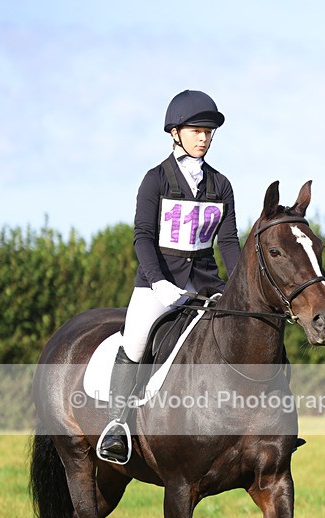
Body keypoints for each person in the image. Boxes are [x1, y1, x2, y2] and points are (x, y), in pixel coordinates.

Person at [97, 89, 241, 463]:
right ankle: (117, 426)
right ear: (175, 132)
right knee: (135, 340)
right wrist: (158, 281)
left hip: (207, 282)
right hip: (158, 282)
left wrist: (239, 287)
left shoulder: (220, 185)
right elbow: (142, 237)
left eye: (208, 132)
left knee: (250, 328)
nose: (204, 138)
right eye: (196, 130)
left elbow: (227, 241)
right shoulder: (156, 179)